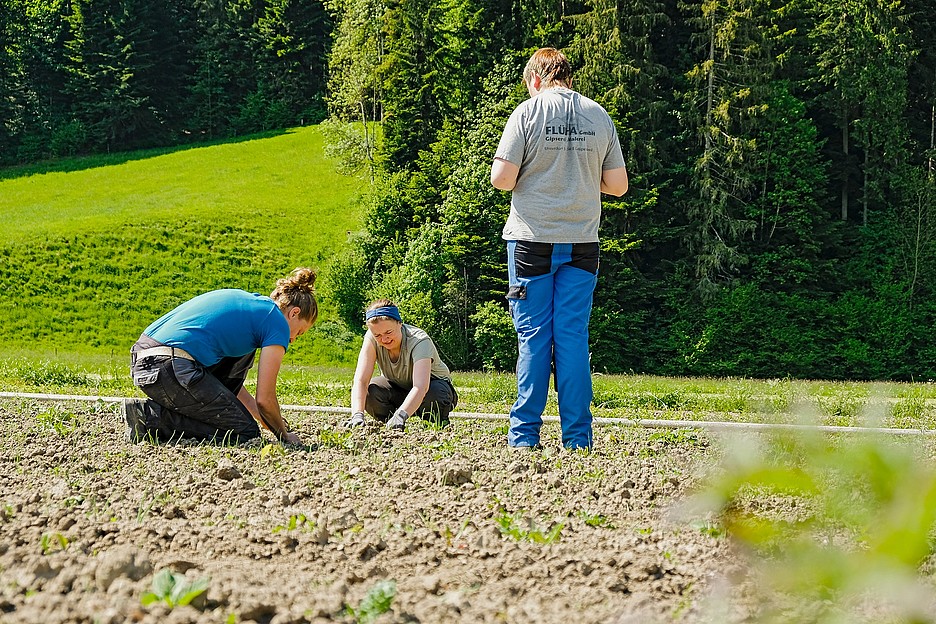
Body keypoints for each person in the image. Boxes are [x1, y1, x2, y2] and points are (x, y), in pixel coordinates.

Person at [490, 47, 629, 451]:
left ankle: (524, 439)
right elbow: (618, 185)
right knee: (572, 337)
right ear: (568, 78)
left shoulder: (527, 112)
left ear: (535, 79)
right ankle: (578, 440)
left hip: (532, 242)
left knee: (534, 337)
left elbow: (502, 178)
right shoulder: (598, 115)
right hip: (583, 241)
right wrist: (584, 183)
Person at [121, 267, 318, 445]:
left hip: (148, 362)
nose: (292, 340)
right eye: (299, 332)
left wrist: (265, 420)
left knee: (238, 421)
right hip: (169, 365)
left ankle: (151, 416)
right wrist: (283, 435)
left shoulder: (252, 310)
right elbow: (264, 399)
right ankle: (149, 418)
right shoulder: (276, 323)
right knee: (243, 432)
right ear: (294, 313)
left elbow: (228, 390)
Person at [345, 299, 457, 430]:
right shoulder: (371, 338)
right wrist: (357, 415)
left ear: (399, 323)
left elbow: (420, 387)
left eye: (388, 332)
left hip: (430, 389)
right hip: (398, 388)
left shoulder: (419, 340)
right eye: (378, 335)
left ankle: (434, 423)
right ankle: (390, 425)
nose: (384, 339)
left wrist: (401, 415)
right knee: (371, 391)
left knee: (436, 394)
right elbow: (361, 380)